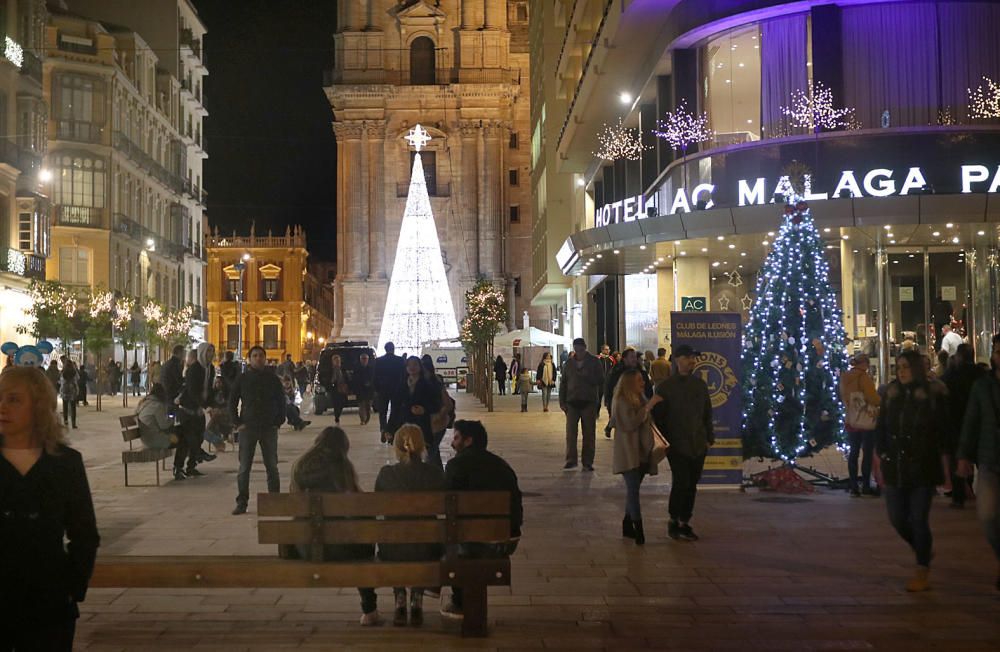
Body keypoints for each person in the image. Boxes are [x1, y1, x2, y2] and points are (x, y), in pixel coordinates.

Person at [0, 366, 100, 650]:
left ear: (39, 406)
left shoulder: (64, 463)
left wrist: (71, 588)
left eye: (14, 399)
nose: (3, 407)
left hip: (48, 604)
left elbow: (84, 534)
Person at [290, 426, 380, 625]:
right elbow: (356, 506)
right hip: (338, 548)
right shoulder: (342, 466)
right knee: (365, 535)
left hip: (305, 546)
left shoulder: (300, 466)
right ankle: (369, 609)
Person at [876, 349, 949, 592]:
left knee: (919, 519)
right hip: (895, 464)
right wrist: (881, 452)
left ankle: (922, 568)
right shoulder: (891, 394)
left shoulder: (931, 393)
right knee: (897, 517)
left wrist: (948, 457)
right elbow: (881, 426)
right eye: (899, 367)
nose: (902, 371)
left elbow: (944, 427)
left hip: (922, 466)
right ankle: (923, 548)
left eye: (906, 366)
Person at [440, 420, 522, 620]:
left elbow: (446, 505)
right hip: (504, 541)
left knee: (454, 536)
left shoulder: (455, 465)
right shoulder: (502, 466)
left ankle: (459, 600)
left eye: (456, 437)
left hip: (469, 542)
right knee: (466, 534)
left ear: (469, 441)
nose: (452, 443)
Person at [375, 424, 446, 626]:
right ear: (423, 445)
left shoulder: (386, 474)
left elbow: (378, 506)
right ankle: (416, 597)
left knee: (393, 532)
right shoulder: (434, 474)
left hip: (392, 549)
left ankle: (399, 596)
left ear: (397, 447)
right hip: (428, 547)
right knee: (424, 536)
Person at [649, 344, 713, 542]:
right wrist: (667, 440)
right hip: (677, 444)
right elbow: (657, 417)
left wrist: (708, 438)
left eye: (693, 358)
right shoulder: (666, 387)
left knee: (692, 483)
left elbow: (706, 413)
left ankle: (685, 521)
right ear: (677, 360)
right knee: (681, 482)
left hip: (698, 443)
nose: (691, 361)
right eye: (687, 357)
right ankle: (674, 519)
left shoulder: (700, 385)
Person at [957, 333, 1000, 591]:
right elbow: (971, 421)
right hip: (989, 460)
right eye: (996, 351)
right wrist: (963, 455)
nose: (998, 356)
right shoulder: (982, 386)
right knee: (987, 515)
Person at [229, 346, 287, 515]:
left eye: (261, 355)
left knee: (272, 466)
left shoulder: (272, 378)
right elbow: (232, 402)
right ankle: (242, 502)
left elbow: (281, 401)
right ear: (249, 359)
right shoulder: (243, 379)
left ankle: (274, 502)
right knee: (244, 467)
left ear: (265, 358)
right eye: (255, 356)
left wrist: (279, 420)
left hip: (269, 427)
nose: (258, 358)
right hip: (248, 427)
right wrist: (237, 422)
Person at [613, 368, 657, 545]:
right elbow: (630, 423)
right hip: (629, 453)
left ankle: (627, 524)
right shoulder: (623, 401)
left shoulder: (640, 398)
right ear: (630, 382)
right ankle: (639, 530)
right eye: (639, 380)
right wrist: (648, 407)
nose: (643, 382)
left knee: (633, 490)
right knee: (633, 492)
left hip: (641, 452)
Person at [942, 343, 984, 509]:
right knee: (981, 458)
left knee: (957, 458)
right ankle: (976, 488)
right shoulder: (980, 374)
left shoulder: (952, 374)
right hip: (978, 422)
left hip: (955, 421)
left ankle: (959, 496)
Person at [558, 338, 605, 472]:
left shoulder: (594, 362)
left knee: (589, 433)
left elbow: (601, 379)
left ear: (585, 348)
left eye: (580, 349)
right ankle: (571, 460)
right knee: (571, 433)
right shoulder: (569, 363)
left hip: (588, 401)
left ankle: (587, 462)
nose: (578, 352)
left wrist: (588, 377)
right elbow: (564, 383)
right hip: (572, 401)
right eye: (576, 349)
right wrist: (562, 401)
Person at [841, 352, 881, 497]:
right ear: (865, 364)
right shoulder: (864, 378)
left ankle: (853, 486)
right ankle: (865, 485)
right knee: (867, 452)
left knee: (853, 452)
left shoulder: (845, 377)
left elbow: (843, 397)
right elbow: (872, 398)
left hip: (851, 419)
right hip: (864, 421)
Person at [175, 343, 217, 480]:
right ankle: (178, 468)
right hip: (187, 410)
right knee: (186, 440)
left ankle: (191, 466)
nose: (211, 354)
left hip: (199, 410)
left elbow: (209, 390)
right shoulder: (194, 369)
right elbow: (193, 391)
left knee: (198, 438)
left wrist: (211, 404)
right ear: (202, 353)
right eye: (208, 351)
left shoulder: (210, 368)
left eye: (212, 351)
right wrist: (205, 406)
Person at [388, 356, 441, 455]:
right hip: (403, 423)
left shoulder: (427, 384)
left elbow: (436, 404)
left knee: (420, 453)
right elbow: (395, 408)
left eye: (415, 364)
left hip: (421, 425)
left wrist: (424, 409)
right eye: (409, 365)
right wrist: (390, 428)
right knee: (404, 453)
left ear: (420, 367)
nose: (412, 367)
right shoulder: (401, 385)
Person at [603, 348, 653, 438]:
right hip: (623, 409)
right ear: (624, 359)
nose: (634, 359)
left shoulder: (641, 372)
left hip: (638, 407)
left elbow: (648, 389)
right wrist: (610, 405)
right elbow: (610, 388)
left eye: (635, 357)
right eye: (632, 357)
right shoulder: (617, 372)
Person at [421, 356, 453, 469]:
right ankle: (439, 475)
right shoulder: (417, 384)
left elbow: (448, 404)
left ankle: (431, 478)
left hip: (438, 424)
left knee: (430, 453)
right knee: (433, 452)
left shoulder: (436, 384)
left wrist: (440, 414)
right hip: (427, 424)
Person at [374, 342, 407, 443]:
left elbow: (374, 376)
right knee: (395, 411)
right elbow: (404, 375)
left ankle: (383, 429)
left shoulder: (378, 361)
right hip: (396, 389)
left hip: (383, 390)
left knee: (382, 412)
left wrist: (377, 389)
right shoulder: (400, 360)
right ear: (393, 349)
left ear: (385, 349)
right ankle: (391, 431)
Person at [135, 383, 180, 450]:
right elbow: (164, 425)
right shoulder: (157, 405)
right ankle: (188, 458)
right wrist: (172, 419)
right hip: (155, 440)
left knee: (180, 435)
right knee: (183, 438)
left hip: (146, 438)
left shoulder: (144, 403)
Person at [352, 353, 375, 426]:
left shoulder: (371, 368)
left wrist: (370, 384)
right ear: (360, 360)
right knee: (361, 406)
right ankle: (362, 420)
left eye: (365, 359)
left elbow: (374, 378)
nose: (364, 360)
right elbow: (354, 379)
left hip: (369, 390)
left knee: (368, 407)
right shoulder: (357, 368)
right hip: (360, 390)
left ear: (368, 360)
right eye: (363, 359)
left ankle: (367, 418)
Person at [59, 358, 79, 429]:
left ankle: (65, 421)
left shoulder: (63, 372)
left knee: (65, 406)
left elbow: (60, 381)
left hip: (65, 391)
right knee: (73, 408)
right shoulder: (74, 372)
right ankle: (73, 423)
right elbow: (77, 379)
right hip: (72, 390)